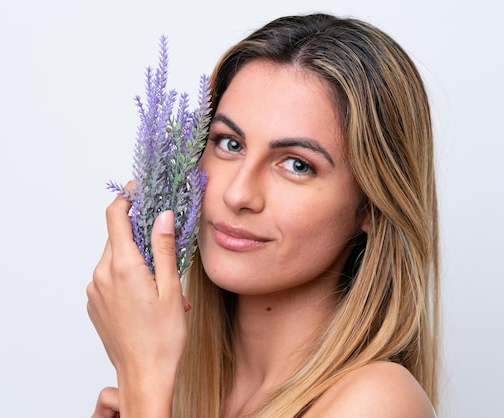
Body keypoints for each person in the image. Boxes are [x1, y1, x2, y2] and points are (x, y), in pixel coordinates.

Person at [87, 12, 440, 418]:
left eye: (297, 165)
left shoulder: (378, 402)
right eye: (230, 143)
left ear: (373, 206)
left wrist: (144, 383)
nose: (238, 193)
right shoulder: (182, 387)